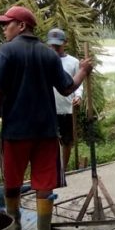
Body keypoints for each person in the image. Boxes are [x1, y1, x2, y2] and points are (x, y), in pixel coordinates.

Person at [0, 6, 93, 230]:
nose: (4, 29)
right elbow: (66, 88)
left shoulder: (6, 52)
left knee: (12, 182)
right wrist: (83, 72)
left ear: (21, 26)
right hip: (45, 132)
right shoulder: (49, 55)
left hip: (15, 132)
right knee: (44, 183)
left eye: (7, 23)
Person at [46, 28, 81, 171]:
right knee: (49, 141)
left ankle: (63, 169)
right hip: (48, 108)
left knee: (67, 140)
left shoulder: (73, 62)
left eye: (57, 45)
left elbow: (78, 84)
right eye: (52, 45)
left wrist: (78, 96)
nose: (54, 48)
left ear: (65, 43)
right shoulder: (44, 60)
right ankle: (50, 170)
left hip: (66, 108)